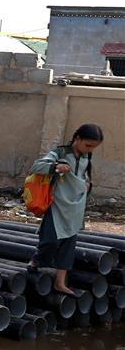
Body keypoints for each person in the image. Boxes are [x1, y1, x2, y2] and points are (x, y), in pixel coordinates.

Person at [26, 124, 103, 294]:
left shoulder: (86, 158)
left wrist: (88, 186)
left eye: (93, 147)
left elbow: (83, 177)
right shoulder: (60, 153)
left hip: (76, 205)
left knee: (69, 244)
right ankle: (37, 260)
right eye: (88, 145)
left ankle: (60, 282)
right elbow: (37, 166)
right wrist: (56, 167)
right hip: (58, 204)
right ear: (77, 138)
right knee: (50, 241)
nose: (90, 150)